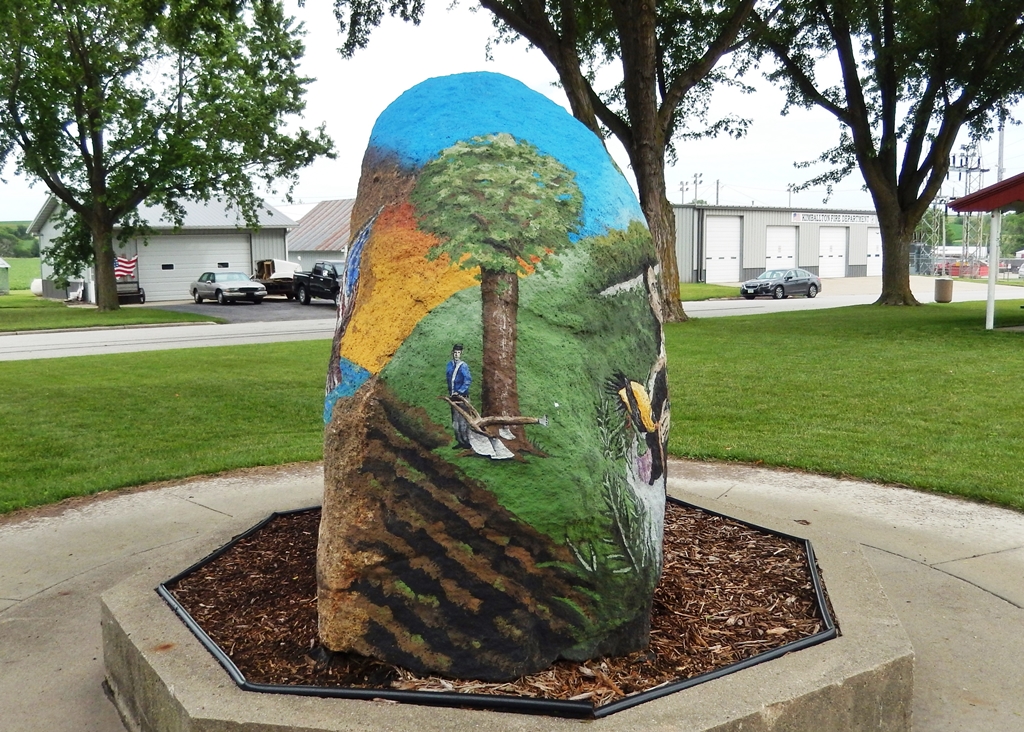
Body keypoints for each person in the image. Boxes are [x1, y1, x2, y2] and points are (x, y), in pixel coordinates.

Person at [446, 343, 472, 448]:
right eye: (455, 352)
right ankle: (460, 441)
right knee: (455, 421)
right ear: (452, 353)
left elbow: (467, 380)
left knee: (463, 420)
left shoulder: (463, 366)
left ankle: (466, 441)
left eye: (458, 353)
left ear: (461, 354)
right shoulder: (449, 365)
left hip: (462, 397)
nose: (456, 354)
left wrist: (460, 391)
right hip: (453, 397)